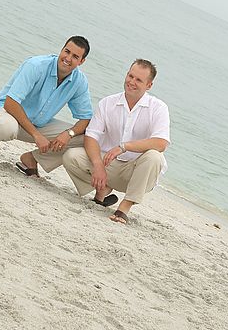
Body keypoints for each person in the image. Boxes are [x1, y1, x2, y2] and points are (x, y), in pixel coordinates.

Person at [62, 59, 170, 224]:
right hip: (109, 166)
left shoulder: (158, 108)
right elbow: (91, 135)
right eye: (130, 76)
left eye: (138, 80)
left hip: (137, 173)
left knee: (155, 156)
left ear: (149, 85)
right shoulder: (108, 103)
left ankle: (124, 208)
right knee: (71, 156)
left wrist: (124, 147)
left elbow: (161, 143)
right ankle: (101, 191)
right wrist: (98, 166)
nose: (131, 82)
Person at [0, 36, 93, 177]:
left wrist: (69, 134)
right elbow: (10, 103)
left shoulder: (79, 82)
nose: (68, 58)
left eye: (75, 56)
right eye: (66, 51)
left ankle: (31, 159)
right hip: (9, 113)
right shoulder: (36, 66)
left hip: (39, 124)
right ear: (61, 50)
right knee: (6, 127)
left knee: (85, 137)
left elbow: (86, 119)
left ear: (81, 61)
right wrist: (36, 135)